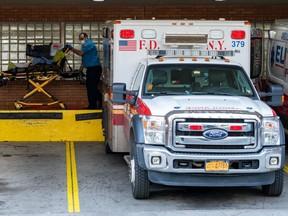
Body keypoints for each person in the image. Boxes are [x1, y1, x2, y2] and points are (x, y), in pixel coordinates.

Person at [68, 32, 102, 109]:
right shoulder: (84, 45)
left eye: (82, 38)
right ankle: (97, 102)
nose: (81, 40)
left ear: (86, 37)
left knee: (91, 87)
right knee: (90, 87)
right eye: (80, 39)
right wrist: (80, 70)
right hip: (91, 69)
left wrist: (71, 49)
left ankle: (94, 104)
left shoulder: (89, 44)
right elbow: (84, 59)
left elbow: (80, 53)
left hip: (94, 69)